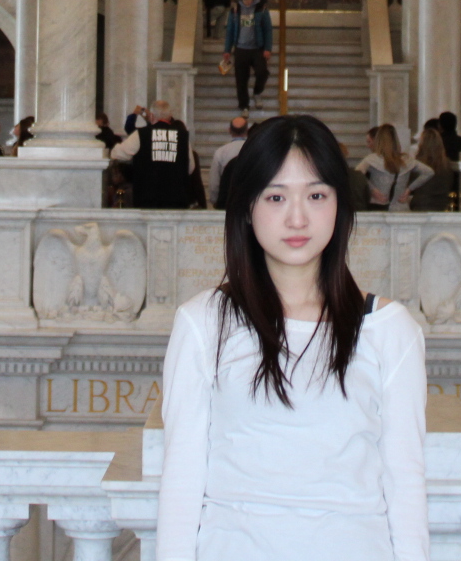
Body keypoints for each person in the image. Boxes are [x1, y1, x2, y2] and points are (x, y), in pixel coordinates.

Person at [156, 115, 428, 561]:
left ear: (339, 204)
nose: (297, 217)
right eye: (276, 196)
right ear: (247, 206)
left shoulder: (388, 330)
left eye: (316, 195)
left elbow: (405, 483)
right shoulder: (203, 323)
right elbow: (182, 481)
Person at [111, 100, 198, 209]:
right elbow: (190, 168)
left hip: (146, 199)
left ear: (151, 116)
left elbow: (117, 154)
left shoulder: (141, 134)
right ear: (170, 116)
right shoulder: (182, 136)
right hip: (176, 200)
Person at [223, 0, 273, 113]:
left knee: (262, 72)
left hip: (257, 48)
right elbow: (230, 31)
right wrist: (227, 49)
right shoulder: (235, 9)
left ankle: (257, 92)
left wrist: (268, 48)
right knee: (241, 79)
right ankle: (244, 105)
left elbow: (268, 29)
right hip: (240, 48)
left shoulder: (261, 8)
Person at [357, 124, 432, 212]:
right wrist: (409, 189)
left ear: (379, 140)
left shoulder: (372, 159)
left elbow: (357, 175)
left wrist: (372, 189)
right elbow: (429, 172)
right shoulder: (407, 160)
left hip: (379, 207)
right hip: (401, 209)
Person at [405, 126, 457, 213]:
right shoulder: (447, 164)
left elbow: (410, 184)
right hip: (442, 205)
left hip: (421, 205)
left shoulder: (419, 165)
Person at [209, 115, 250, 209]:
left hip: (228, 202)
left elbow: (214, 183)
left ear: (229, 130)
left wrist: (215, 200)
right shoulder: (255, 150)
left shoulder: (221, 152)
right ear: (247, 130)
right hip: (249, 201)